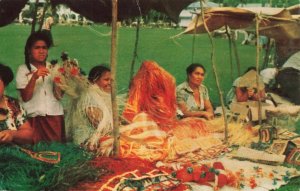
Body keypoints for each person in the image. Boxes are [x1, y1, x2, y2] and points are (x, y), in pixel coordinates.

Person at [16, 31, 65, 143]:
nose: (41, 51)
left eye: (44, 47)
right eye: (37, 48)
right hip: (33, 117)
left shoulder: (54, 68)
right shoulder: (23, 69)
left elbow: (58, 96)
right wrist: (34, 77)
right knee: (34, 151)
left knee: (55, 151)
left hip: (54, 116)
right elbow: (26, 97)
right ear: (29, 50)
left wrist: (64, 81)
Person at [65, 65, 113, 148]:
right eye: (106, 80)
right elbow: (98, 124)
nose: (110, 83)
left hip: (93, 140)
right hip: (85, 143)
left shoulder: (98, 95)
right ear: (94, 81)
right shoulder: (90, 98)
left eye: (111, 80)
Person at [0, 63, 33, 144]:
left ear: (5, 84)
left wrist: (13, 134)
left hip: (14, 152)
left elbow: (29, 135)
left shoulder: (13, 104)